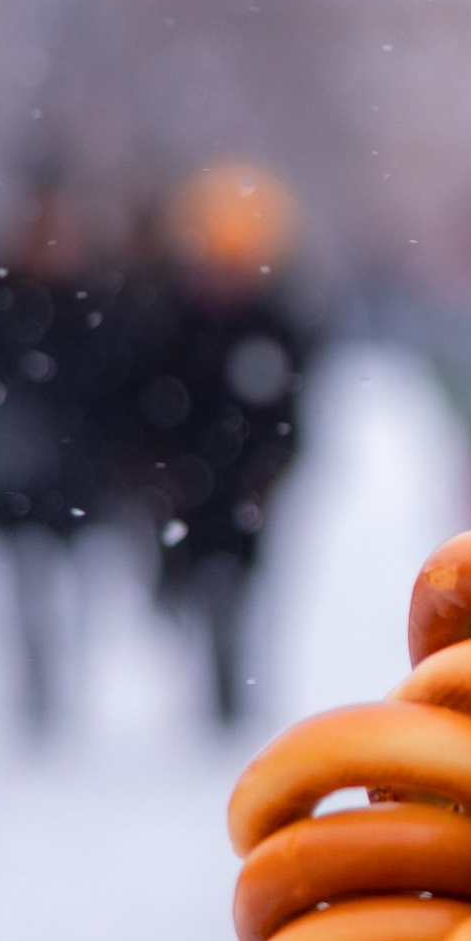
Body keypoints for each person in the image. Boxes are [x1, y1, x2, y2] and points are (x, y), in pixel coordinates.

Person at [140, 164, 311, 728]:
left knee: (237, 582)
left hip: (245, 481)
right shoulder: (170, 320)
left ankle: (230, 690)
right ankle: (213, 670)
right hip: (187, 481)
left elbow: (289, 407)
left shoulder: (273, 323)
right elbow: (147, 397)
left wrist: (275, 467)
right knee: (190, 573)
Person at [0, 184, 109, 738]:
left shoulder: (87, 297)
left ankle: (62, 688)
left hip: (74, 485)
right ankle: (34, 692)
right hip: (17, 483)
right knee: (26, 590)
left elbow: (109, 393)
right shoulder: (0, 300)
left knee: (70, 594)